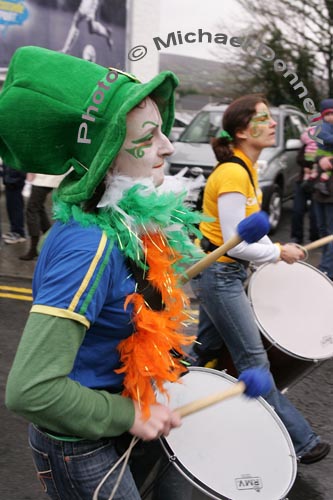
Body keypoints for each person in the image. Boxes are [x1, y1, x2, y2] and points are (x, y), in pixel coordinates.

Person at [1, 46, 220, 500]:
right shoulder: (90, 246)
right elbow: (31, 392)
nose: (169, 146)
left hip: (122, 418)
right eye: (150, 135)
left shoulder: (129, 225)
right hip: (82, 447)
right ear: (106, 155)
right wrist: (130, 416)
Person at [189, 94, 330, 465]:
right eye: (263, 119)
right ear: (240, 130)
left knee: (204, 351)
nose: (272, 124)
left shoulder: (247, 169)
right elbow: (236, 243)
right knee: (254, 364)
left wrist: (279, 246)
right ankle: (303, 442)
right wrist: (276, 253)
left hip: (223, 274)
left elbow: (251, 235)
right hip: (220, 275)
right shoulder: (234, 172)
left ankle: (165, 402)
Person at [19, 173, 66, 261]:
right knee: (38, 207)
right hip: (58, 176)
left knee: (32, 209)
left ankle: (34, 247)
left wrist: (31, 170)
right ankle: (48, 240)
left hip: (44, 176)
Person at [311, 98, 333, 280]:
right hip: (321, 190)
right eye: (328, 114)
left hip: (329, 191)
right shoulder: (322, 130)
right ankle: (327, 266)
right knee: (323, 229)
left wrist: (329, 161)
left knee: (331, 233)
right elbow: (310, 154)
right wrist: (320, 160)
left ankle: (327, 269)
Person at [290, 123, 319, 245]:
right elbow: (299, 158)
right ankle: (296, 237)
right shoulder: (308, 143)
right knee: (297, 210)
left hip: (319, 183)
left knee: (315, 213)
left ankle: (315, 238)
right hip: (303, 180)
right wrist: (307, 166)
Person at [2, 163, 27, 244]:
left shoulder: (18, 152)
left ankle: (19, 233)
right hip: (10, 180)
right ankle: (14, 230)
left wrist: (14, 180)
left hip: (14, 182)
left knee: (16, 208)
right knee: (11, 208)